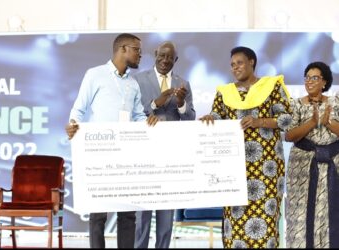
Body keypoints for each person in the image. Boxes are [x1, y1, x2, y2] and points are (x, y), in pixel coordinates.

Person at [65, 33, 158, 249]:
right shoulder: (94, 75)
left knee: (128, 215)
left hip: (127, 156)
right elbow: (79, 109)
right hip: (101, 154)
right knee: (98, 215)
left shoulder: (133, 84)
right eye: (137, 49)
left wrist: (148, 121)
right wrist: (73, 125)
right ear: (123, 49)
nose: (140, 55)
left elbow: (137, 117)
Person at [199, 46, 292, 248]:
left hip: (266, 169)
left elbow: (287, 119)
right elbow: (217, 116)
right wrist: (209, 118)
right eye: (232, 65)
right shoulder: (225, 92)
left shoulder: (272, 86)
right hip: (233, 169)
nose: (235, 67)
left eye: (239, 62)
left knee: (265, 223)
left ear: (252, 62)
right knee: (236, 224)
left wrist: (260, 122)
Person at [133, 41, 196, 248]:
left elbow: (190, 119)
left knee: (166, 216)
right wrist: (154, 104)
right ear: (155, 54)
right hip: (143, 155)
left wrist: (181, 104)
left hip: (171, 157)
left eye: (170, 58)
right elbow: (130, 114)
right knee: (142, 215)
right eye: (162, 56)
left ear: (175, 60)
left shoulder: (183, 83)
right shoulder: (138, 79)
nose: (165, 61)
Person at [285, 61, 339, 248]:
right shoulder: (295, 104)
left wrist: (328, 123)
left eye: (314, 78)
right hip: (302, 168)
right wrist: (311, 122)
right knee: (301, 214)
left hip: (333, 164)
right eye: (307, 78)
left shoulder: (335, 102)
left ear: (324, 82)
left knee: (329, 212)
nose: (309, 82)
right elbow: (289, 135)